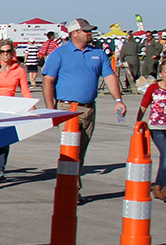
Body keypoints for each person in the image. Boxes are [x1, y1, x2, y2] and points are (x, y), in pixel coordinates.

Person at [42, 18, 125, 205]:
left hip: (88, 109)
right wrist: (50, 109)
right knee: (71, 151)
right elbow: (48, 81)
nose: (90, 33)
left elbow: (110, 76)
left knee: (81, 152)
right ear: (74, 33)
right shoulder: (59, 54)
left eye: (90, 30)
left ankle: (73, 186)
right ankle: (71, 188)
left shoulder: (98, 53)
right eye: (86, 31)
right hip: (66, 108)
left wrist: (118, 100)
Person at [0, 39, 32, 183]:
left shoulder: (19, 71)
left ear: (13, 53)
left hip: (9, 109)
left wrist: (31, 106)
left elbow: (25, 91)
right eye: (3, 52)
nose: (6, 54)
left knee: (4, 142)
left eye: (8, 51)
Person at [140, 59, 166, 202]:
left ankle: (157, 187)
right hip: (156, 127)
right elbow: (144, 105)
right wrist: (139, 123)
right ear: (161, 73)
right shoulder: (153, 88)